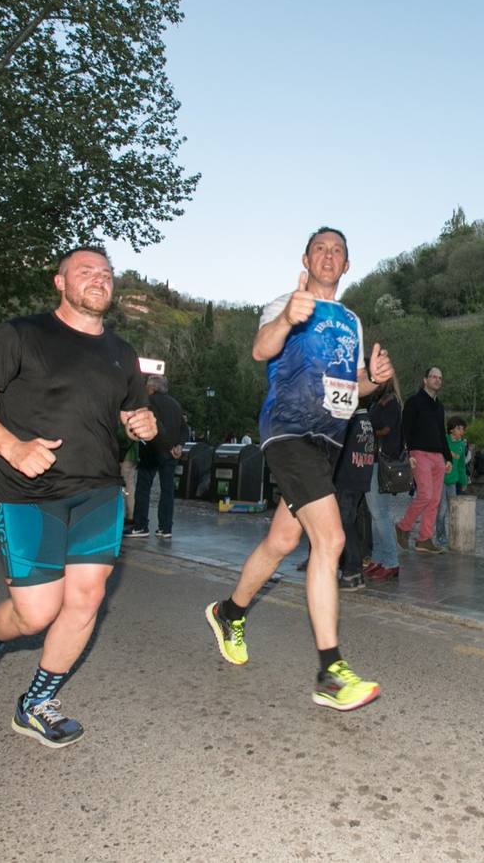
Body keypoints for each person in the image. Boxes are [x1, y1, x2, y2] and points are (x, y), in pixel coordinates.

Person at [0, 246, 158, 748]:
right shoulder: (22, 334)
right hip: (28, 493)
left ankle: (36, 703)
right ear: (59, 282)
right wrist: (11, 447)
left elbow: (134, 417)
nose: (98, 278)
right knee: (36, 614)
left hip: (99, 491)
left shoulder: (122, 354)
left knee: (86, 599)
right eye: (85, 271)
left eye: (106, 273)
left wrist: (143, 425)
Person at [204, 227, 395, 712]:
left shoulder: (351, 320)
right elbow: (261, 349)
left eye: (337, 251)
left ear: (347, 266)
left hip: (329, 441)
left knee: (283, 541)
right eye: (320, 249)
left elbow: (348, 389)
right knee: (330, 539)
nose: (328, 256)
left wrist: (372, 379)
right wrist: (289, 316)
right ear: (306, 259)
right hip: (288, 433)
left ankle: (229, 612)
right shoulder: (286, 304)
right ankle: (330, 670)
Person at [396, 367, 451, 554]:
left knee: (435, 500)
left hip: (438, 456)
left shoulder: (439, 406)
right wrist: (408, 453)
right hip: (420, 454)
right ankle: (403, 527)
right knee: (425, 495)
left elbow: (442, 434)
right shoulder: (414, 402)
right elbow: (405, 429)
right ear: (425, 380)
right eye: (433, 377)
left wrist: (448, 457)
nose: (437, 380)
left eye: (440, 377)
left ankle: (424, 539)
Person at [124, 374, 185, 539]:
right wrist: (178, 446)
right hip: (172, 455)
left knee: (143, 489)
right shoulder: (176, 404)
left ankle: (141, 525)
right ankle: (165, 528)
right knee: (167, 491)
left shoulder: (149, 403)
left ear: (152, 388)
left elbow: (157, 427)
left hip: (152, 452)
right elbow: (184, 429)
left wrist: (167, 446)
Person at [363, 377, 404, 581]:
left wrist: (367, 431)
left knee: (381, 514)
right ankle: (379, 559)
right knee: (377, 515)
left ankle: (391, 561)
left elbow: (386, 429)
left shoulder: (389, 402)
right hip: (376, 460)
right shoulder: (381, 401)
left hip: (380, 462)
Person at [333, 400, 377, 589]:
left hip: (346, 478)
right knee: (350, 523)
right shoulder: (367, 420)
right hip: (361, 478)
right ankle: (355, 571)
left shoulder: (350, 421)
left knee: (344, 524)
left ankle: (351, 570)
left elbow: (337, 449)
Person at [435, 415, 469, 546]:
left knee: (453, 509)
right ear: (451, 430)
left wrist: (464, 481)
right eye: (459, 428)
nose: (462, 431)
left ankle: (454, 536)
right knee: (442, 509)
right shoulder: (443, 440)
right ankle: (441, 537)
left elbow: (461, 465)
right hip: (441, 479)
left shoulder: (461, 445)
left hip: (452, 481)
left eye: (463, 429)